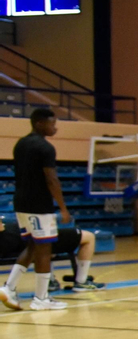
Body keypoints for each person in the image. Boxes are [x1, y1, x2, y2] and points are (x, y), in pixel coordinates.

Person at [9, 108, 70, 311]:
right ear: (39, 123)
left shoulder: (20, 144)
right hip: (39, 205)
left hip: (20, 202)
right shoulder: (45, 148)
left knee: (33, 246)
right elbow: (51, 179)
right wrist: (63, 208)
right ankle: (41, 298)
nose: (55, 128)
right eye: (52, 124)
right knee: (44, 249)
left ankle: (9, 288)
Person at [0, 222, 100, 309]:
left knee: (36, 245)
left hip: (23, 233)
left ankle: (12, 287)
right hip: (29, 233)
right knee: (88, 237)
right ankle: (81, 282)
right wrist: (63, 209)